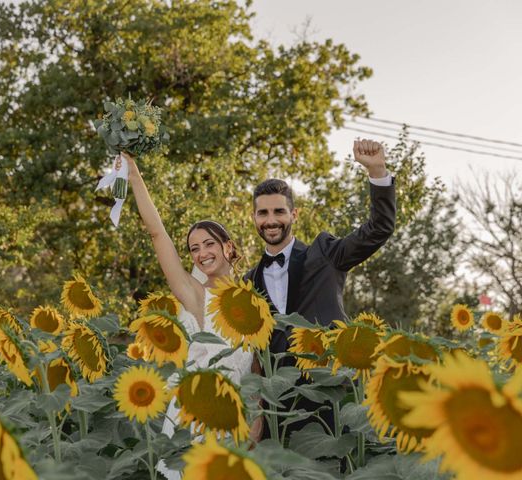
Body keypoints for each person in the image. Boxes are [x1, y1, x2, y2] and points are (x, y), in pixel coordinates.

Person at [245, 139, 396, 441]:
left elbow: (378, 228)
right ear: (254, 218)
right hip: (279, 410)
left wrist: (377, 171)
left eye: (278, 212)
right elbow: (255, 357)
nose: (271, 221)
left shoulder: (325, 254)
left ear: (294, 215)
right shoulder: (248, 283)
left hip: (328, 397)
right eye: (263, 214)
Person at [122, 152, 254, 480]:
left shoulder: (253, 303)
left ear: (228, 247)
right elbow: (157, 234)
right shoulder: (196, 295)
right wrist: (134, 175)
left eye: (209, 244)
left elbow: (256, 373)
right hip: (197, 415)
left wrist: (257, 426)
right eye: (194, 249)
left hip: (240, 418)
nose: (201, 253)